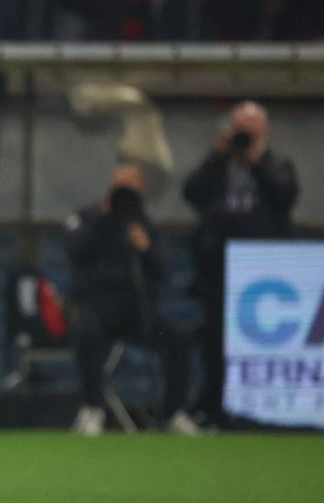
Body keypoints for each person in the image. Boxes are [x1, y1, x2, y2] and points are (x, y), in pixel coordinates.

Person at [183, 101, 298, 426]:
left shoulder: (279, 164)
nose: (245, 134)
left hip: (266, 270)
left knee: (265, 342)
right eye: (240, 127)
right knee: (215, 340)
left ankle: (264, 410)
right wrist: (217, 155)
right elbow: (192, 193)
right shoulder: (217, 165)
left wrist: (255, 161)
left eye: (252, 128)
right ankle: (215, 409)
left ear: (265, 130)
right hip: (220, 265)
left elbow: (285, 197)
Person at [66, 164, 199, 436]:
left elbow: (164, 272)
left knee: (179, 340)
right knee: (85, 332)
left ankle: (174, 413)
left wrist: (145, 248)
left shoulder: (145, 225)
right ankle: (93, 408)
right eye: (120, 188)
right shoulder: (90, 217)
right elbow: (75, 251)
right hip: (97, 308)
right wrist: (103, 219)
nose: (125, 194)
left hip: (137, 310)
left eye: (131, 188)